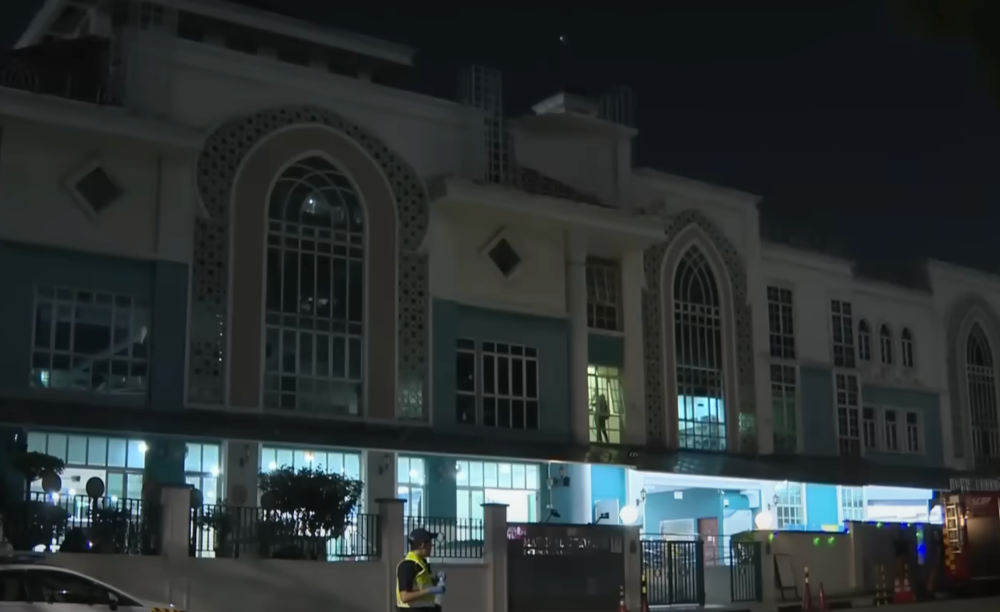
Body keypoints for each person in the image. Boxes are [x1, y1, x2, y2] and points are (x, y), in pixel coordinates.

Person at [397, 528, 445, 611]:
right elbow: (404, 597)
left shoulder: (422, 563)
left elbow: (422, 584)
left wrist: (437, 581)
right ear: (422, 545)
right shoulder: (407, 566)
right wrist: (429, 591)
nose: (432, 546)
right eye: (430, 543)